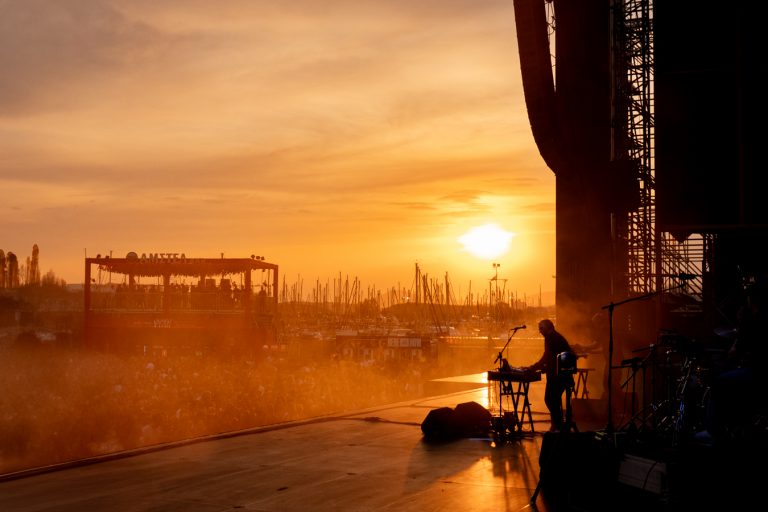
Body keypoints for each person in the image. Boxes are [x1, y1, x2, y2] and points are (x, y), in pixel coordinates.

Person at [524, 319, 577, 432]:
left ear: (548, 327)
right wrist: (541, 366)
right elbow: (551, 357)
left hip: (558, 376)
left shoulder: (551, 338)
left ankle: (558, 424)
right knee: (554, 399)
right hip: (560, 375)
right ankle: (558, 424)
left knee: (550, 399)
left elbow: (547, 356)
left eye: (541, 328)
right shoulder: (555, 337)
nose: (540, 331)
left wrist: (534, 367)